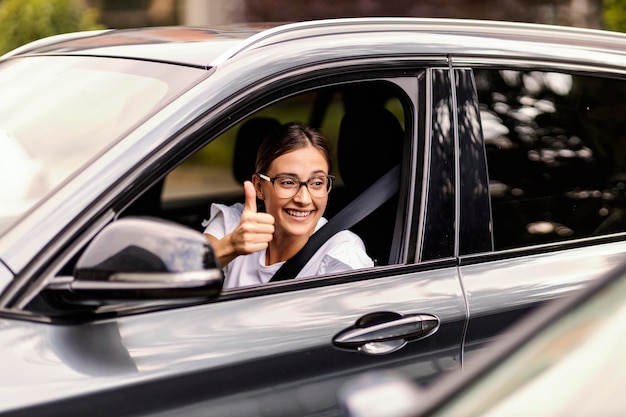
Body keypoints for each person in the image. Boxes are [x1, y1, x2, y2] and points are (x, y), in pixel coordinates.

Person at [203, 122, 373, 288]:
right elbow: (180, 276)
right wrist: (230, 247)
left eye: (317, 183)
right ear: (259, 187)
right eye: (288, 182)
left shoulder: (341, 255)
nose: (304, 199)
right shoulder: (234, 224)